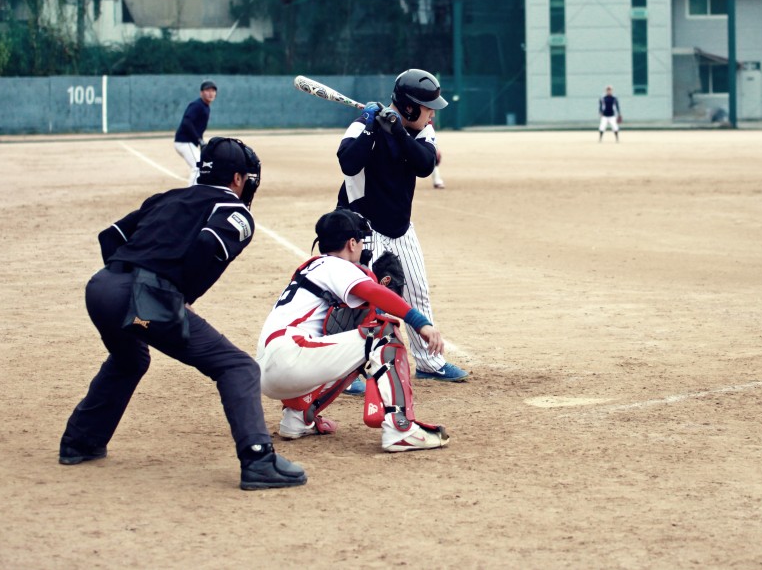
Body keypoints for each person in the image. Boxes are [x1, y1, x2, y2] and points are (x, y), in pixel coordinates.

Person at [58, 137, 306, 491]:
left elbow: (110, 236)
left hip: (100, 287)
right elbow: (208, 243)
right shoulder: (234, 210)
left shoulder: (167, 197)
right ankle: (258, 460)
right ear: (238, 178)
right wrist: (177, 293)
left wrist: (127, 282)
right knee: (238, 367)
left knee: (129, 359)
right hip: (144, 296)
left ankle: (80, 442)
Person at [256, 209, 450, 452]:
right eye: (360, 242)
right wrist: (420, 323)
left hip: (270, 371)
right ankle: (401, 428)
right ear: (351, 243)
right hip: (291, 357)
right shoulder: (336, 265)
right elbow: (373, 292)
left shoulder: (313, 268)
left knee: (358, 345)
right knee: (383, 334)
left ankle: (297, 417)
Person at [336, 69, 469, 388]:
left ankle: (429, 362)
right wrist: (371, 124)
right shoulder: (363, 124)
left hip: (399, 226)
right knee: (356, 298)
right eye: (427, 108)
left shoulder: (422, 130)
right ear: (409, 107)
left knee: (417, 292)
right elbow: (348, 162)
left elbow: (424, 165)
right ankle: (344, 371)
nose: (432, 114)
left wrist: (396, 131)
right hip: (362, 227)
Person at [174, 80, 217, 184]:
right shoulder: (197, 105)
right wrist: (199, 140)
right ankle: (193, 192)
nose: (211, 93)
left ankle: (197, 189)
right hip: (184, 142)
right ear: (201, 93)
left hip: (188, 143)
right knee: (198, 166)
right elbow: (187, 122)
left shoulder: (205, 106)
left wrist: (200, 141)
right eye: (207, 90)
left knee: (202, 166)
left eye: (213, 90)